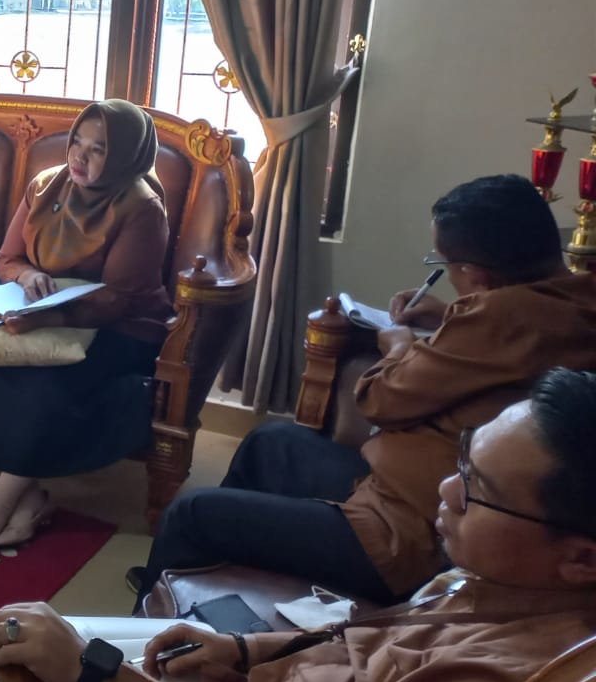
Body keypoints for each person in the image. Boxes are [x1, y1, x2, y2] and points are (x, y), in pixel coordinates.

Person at [0, 367, 596, 682]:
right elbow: (371, 648)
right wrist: (245, 651)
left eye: (478, 489)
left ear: (581, 559)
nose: (446, 489)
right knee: (35, 637)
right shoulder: (494, 584)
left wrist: (96, 680)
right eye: (462, 460)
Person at [138, 174, 596, 605]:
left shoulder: (497, 320)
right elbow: (508, 350)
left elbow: (379, 399)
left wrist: (398, 346)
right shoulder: (571, 304)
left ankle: (148, 618)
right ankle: (202, 580)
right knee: (270, 442)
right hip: (396, 489)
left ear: (477, 275)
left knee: (192, 512)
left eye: (445, 265)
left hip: (401, 535)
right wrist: (450, 319)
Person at [0, 99, 172, 554]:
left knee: (47, 385)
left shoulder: (142, 207)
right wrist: (28, 276)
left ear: (125, 155)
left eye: (98, 149)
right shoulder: (45, 185)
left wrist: (47, 318)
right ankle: (30, 499)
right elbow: (7, 258)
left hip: (123, 329)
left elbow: (119, 299)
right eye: (77, 142)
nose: (80, 157)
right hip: (47, 316)